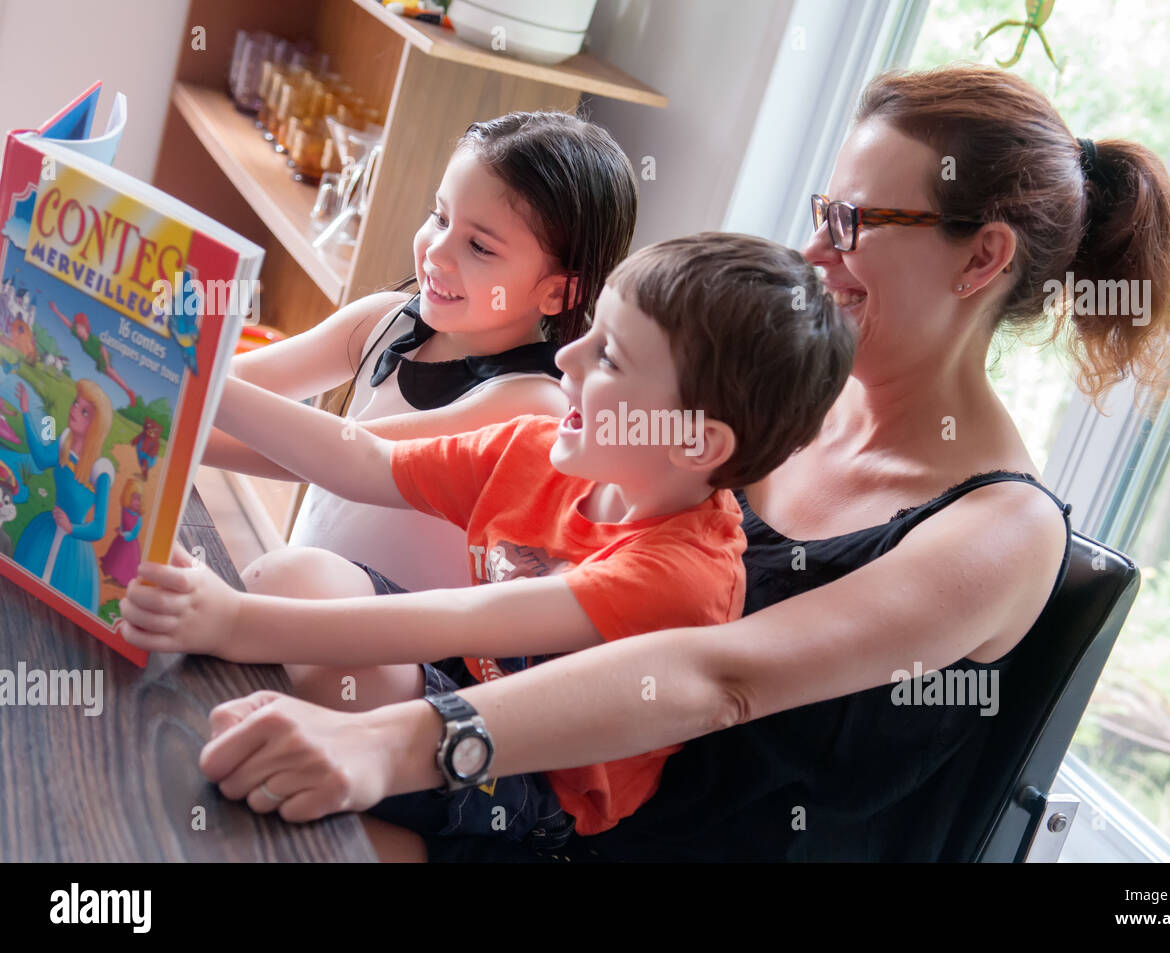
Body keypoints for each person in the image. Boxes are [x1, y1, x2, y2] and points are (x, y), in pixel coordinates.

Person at [191, 63, 1170, 862]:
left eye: (852, 222)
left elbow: (717, 675)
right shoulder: (771, 399)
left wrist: (390, 742)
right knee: (261, 688)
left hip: (635, 837)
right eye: (819, 207)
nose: (811, 249)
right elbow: (485, 493)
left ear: (981, 260)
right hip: (541, 770)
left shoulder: (1000, 532)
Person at [119, 233, 856, 854]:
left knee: (332, 678)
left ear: (694, 440)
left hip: (528, 787)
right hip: (464, 678)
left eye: (610, 359)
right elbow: (360, 456)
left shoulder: (683, 575)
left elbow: (461, 619)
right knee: (296, 572)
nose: (568, 358)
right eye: (590, 331)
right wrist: (203, 372)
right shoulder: (543, 447)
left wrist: (232, 621)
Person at [203, 111, 639, 592]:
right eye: (441, 217)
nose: (437, 251)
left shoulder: (531, 405)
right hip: (309, 607)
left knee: (278, 583)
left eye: (479, 246)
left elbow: (336, 456)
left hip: (398, 648)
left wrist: (179, 403)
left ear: (558, 293)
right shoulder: (384, 320)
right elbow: (236, 377)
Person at [13, 378, 116, 612]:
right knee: (22, 593)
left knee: (58, 606)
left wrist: (72, 528)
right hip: (45, 531)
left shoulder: (99, 472)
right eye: (75, 403)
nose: (74, 411)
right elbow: (40, 460)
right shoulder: (64, 443)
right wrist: (26, 412)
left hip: (73, 547)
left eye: (85, 411)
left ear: (96, 425)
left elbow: (99, 528)